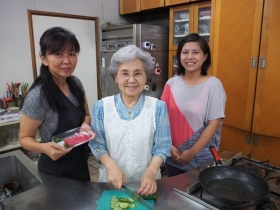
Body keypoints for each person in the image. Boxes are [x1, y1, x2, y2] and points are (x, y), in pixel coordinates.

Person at [89, 45, 172, 195]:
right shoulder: (101, 107)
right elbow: (97, 143)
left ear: (146, 76)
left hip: (147, 184)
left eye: (138, 73)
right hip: (111, 181)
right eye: (125, 73)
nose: (131, 80)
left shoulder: (158, 107)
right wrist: (110, 166)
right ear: (116, 77)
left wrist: (152, 172)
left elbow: (163, 146)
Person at [19, 27, 95, 181]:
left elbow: (86, 115)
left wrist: (85, 126)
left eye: (71, 54)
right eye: (58, 54)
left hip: (80, 163)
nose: (67, 60)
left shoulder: (75, 83)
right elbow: (24, 138)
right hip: (55, 170)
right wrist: (44, 148)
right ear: (44, 58)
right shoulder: (38, 96)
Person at [161, 33, 226, 177]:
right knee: (174, 195)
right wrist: (168, 145)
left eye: (196, 52)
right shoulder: (171, 83)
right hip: (172, 157)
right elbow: (161, 119)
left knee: (198, 197)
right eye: (185, 52)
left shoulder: (214, 85)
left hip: (201, 160)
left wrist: (192, 152)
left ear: (205, 57)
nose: (189, 57)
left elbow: (213, 124)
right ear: (180, 57)